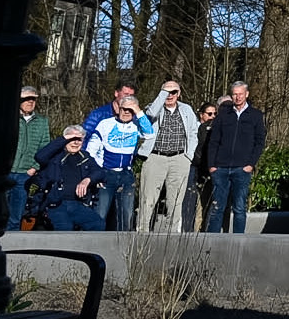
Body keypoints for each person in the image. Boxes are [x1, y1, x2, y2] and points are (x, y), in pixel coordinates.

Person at [204, 81, 267, 233]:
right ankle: (211, 242)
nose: (238, 97)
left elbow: (259, 142)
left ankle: (239, 240)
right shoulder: (223, 116)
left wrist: (251, 164)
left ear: (246, 94)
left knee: (239, 207)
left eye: (240, 94)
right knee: (217, 207)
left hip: (242, 168)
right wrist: (212, 165)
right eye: (235, 94)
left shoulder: (256, 115)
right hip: (221, 168)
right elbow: (213, 141)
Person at [139, 80, 199, 232]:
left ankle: (172, 235)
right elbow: (151, 114)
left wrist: (188, 155)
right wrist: (162, 95)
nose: (169, 95)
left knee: (176, 200)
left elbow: (193, 132)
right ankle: (142, 233)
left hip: (179, 158)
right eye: (166, 92)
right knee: (148, 199)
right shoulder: (153, 108)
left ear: (179, 94)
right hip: (155, 157)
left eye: (173, 92)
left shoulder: (186, 109)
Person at [86, 94, 154, 230]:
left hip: (126, 175)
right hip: (106, 174)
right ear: (119, 109)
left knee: (126, 215)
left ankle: (124, 247)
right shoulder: (106, 124)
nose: (127, 113)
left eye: (130, 110)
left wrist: (138, 111)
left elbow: (150, 133)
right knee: (100, 214)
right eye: (124, 109)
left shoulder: (136, 126)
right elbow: (90, 151)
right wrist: (95, 173)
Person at [33, 126, 106, 231]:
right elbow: (39, 156)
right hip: (55, 204)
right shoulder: (54, 156)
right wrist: (64, 139)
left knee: (97, 224)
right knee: (65, 227)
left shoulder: (85, 157)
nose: (75, 143)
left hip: (77, 204)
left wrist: (87, 180)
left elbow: (100, 172)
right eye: (72, 139)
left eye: (79, 140)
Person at [10, 87, 54, 230]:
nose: (30, 102)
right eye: (27, 99)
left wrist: (35, 167)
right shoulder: (9, 118)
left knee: (16, 215)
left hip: (25, 174)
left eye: (33, 99)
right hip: (6, 172)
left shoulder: (42, 122)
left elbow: (45, 147)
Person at [185, 101, 219, 232]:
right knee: (195, 204)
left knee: (207, 204)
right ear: (201, 115)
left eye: (215, 114)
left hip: (209, 169)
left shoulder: (214, 129)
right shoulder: (196, 129)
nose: (212, 116)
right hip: (195, 168)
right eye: (209, 114)